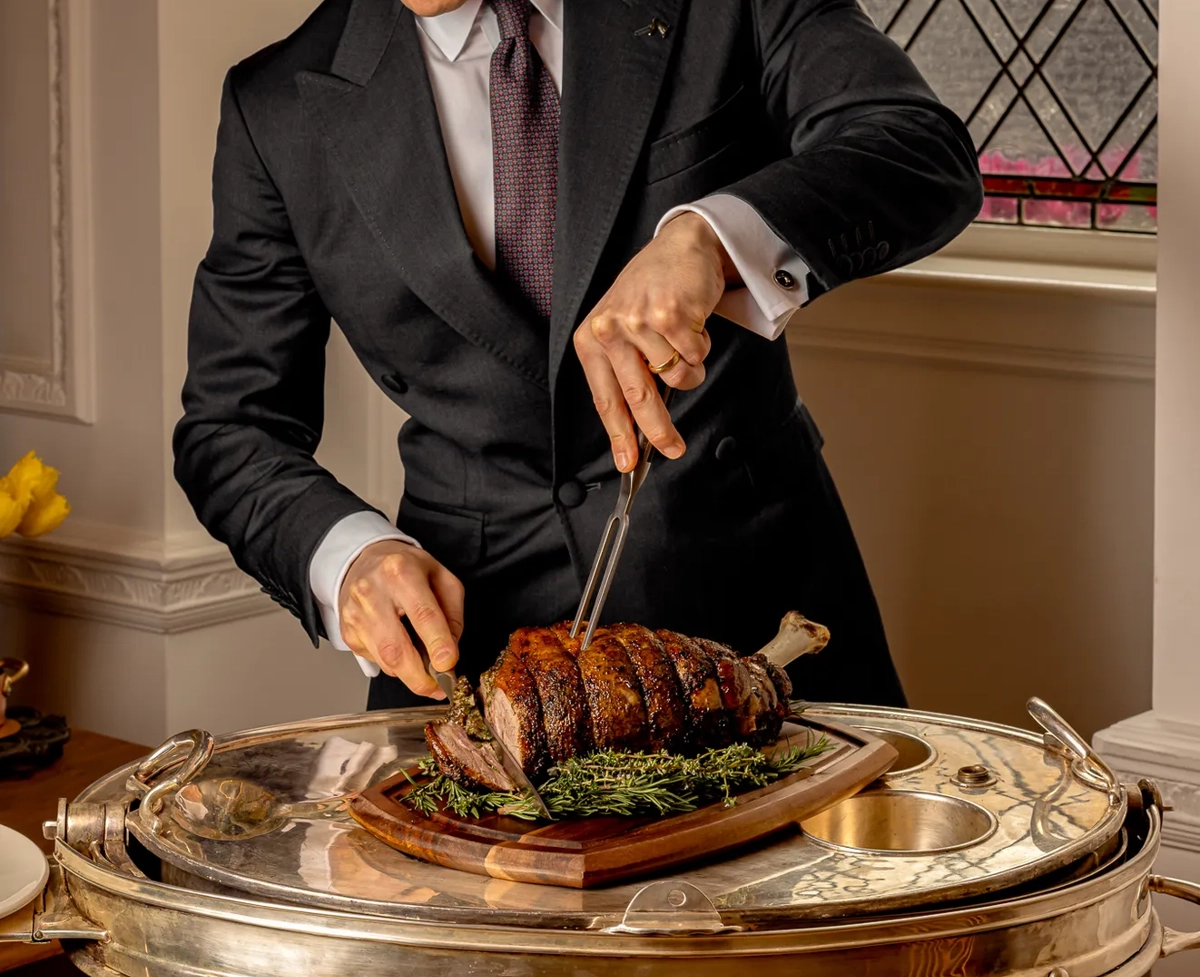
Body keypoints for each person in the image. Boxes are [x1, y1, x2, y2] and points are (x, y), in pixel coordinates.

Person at [175, 0, 982, 711]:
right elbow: (231, 430)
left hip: (762, 618)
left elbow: (917, 148)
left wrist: (712, 238)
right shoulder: (275, 106)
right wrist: (348, 558)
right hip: (479, 665)